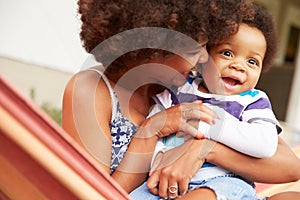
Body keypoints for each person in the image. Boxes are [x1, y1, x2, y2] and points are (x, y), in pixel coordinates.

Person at [62, 0, 300, 199]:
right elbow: (92, 194)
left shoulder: (190, 85)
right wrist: (152, 130)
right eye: (197, 47)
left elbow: (289, 166)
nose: (205, 57)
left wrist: (204, 150)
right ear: (157, 47)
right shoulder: (91, 90)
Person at [131, 2, 282, 199]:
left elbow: (265, 144)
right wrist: (160, 157)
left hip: (224, 181)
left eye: (252, 62)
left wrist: (209, 125)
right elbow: (156, 124)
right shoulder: (180, 88)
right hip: (166, 179)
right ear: (204, 58)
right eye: (227, 53)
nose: (239, 65)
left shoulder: (253, 101)